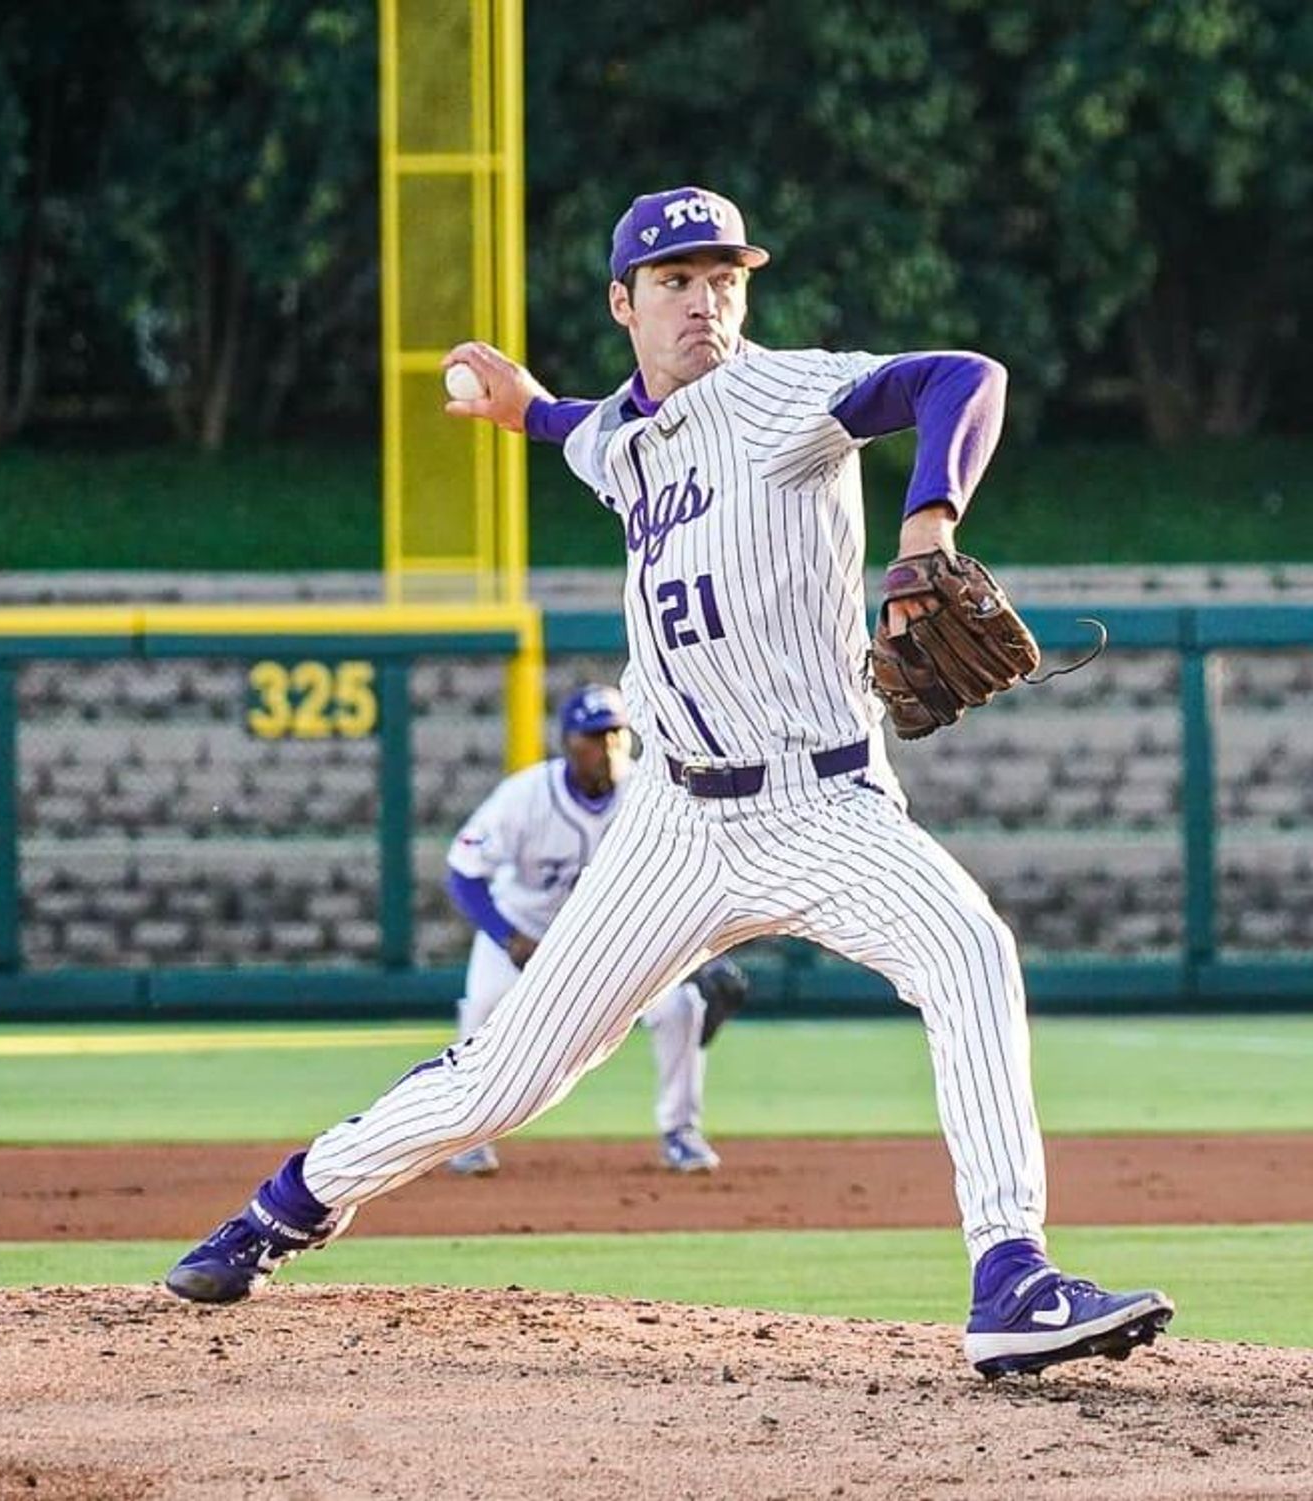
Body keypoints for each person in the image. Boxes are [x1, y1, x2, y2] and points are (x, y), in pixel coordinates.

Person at [166, 185, 1173, 1378]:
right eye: (676, 282)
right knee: (505, 1076)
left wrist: (924, 532)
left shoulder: (782, 396)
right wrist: (522, 411)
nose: (706, 302)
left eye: (724, 278)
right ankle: (284, 1208)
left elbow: (963, 376)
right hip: (673, 825)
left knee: (968, 951)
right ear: (623, 303)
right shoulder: (624, 439)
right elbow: (581, 426)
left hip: (821, 803)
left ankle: (1009, 1276)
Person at [439, 681, 738, 1176]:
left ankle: (680, 1132)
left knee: (680, 1004)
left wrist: (701, 951)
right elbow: (463, 871)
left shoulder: (650, 794)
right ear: (568, 743)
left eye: (617, 735)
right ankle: (465, 1137)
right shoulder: (525, 796)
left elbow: (689, 874)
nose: (608, 747)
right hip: (523, 929)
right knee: (484, 1015)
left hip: (610, 937)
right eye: (595, 737)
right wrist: (506, 936)